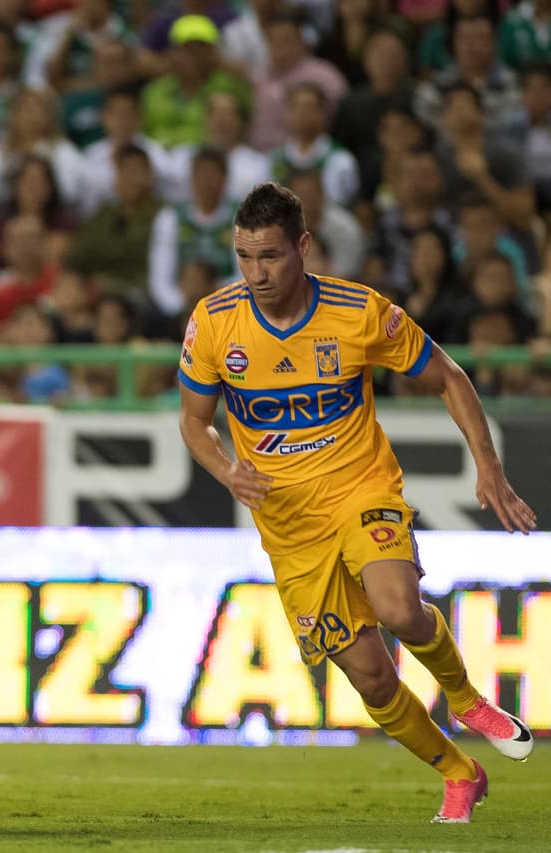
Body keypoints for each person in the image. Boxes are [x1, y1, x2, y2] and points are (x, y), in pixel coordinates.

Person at [177, 182, 537, 825]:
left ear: (303, 247)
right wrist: (227, 470)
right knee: (370, 678)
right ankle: (460, 772)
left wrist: (488, 465)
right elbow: (193, 421)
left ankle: (464, 696)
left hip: (359, 488)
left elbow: (449, 377)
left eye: (270, 257)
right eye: (244, 257)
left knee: (400, 609)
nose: (256, 273)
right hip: (288, 526)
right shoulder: (214, 321)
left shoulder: (357, 311)